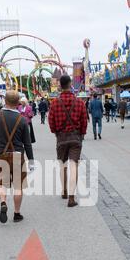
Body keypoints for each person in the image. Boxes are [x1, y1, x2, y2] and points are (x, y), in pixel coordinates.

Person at [0, 90, 34, 224]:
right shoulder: (22, 120)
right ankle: (17, 213)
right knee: (18, 186)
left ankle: (3, 202)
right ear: (18, 103)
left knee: (2, 183)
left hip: (2, 154)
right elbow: (27, 143)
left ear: (5, 101)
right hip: (18, 155)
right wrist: (31, 161)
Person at [49, 74, 88, 208]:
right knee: (74, 166)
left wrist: (56, 132)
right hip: (76, 138)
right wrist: (81, 134)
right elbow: (84, 121)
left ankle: (64, 191)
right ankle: (71, 197)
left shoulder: (54, 103)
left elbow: (51, 122)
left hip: (61, 138)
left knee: (62, 165)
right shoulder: (80, 102)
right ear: (70, 84)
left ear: (60, 85)